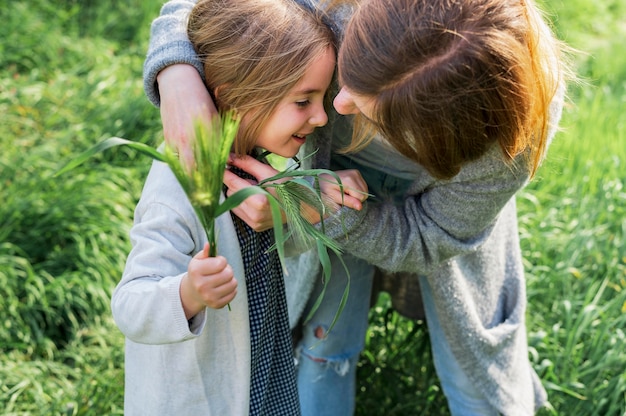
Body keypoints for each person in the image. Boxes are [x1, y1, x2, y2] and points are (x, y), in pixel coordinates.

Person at [142, 0, 571, 414]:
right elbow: (215, 11)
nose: (338, 106)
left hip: (417, 211)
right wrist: (176, 68)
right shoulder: (337, 6)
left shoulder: (507, 141)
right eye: (349, 68)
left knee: (473, 369)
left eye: (374, 112)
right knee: (324, 335)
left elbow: (432, 238)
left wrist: (318, 210)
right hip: (334, 175)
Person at [111, 0, 368, 414]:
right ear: (236, 99)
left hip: (261, 367)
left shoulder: (251, 161)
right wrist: (188, 293)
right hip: (205, 395)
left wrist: (313, 202)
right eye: (303, 101)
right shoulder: (180, 188)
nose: (321, 117)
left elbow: (269, 247)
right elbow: (129, 305)